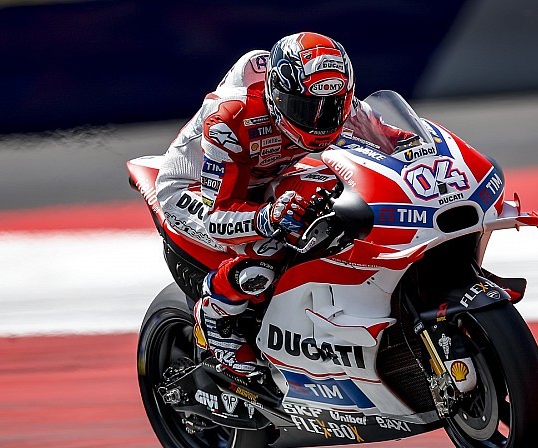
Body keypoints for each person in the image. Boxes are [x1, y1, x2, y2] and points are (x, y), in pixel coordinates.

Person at [156, 32, 411, 377]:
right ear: (278, 95)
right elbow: (218, 212)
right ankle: (215, 317)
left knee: (341, 208)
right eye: (306, 109)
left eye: (331, 108)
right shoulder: (231, 119)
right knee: (265, 254)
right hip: (197, 189)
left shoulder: (343, 105)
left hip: (274, 174)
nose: (320, 121)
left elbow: (399, 144)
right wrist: (266, 217)